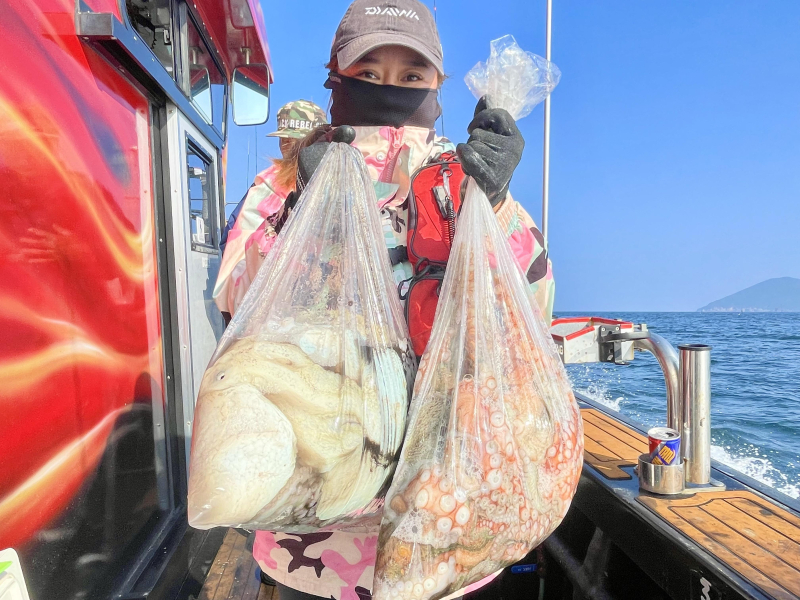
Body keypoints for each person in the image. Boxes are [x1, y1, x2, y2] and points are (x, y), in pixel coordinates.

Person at [220, 1, 555, 598]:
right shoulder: (281, 182)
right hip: (313, 542)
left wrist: (498, 205)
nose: (389, 89)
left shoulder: (465, 177)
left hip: (447, 531)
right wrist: (301, 216)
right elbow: (238, 306)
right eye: (368, 73)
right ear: (336, 81)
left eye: (411, 76)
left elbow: (531, 310)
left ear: (437, 89)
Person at [214, 99, 328, 321]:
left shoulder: (265, 184)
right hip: (274, 313)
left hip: (258, 311)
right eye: (284, 140)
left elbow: (228, 240)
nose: (285, 145)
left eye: (289, 140)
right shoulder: (269, 186)